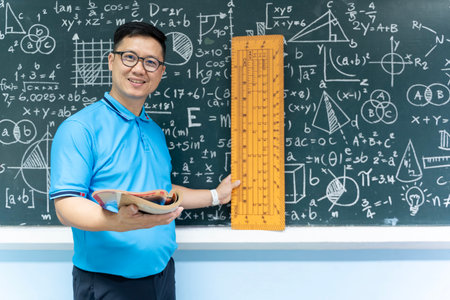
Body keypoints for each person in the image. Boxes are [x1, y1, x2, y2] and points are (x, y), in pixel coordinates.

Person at [49, 22, 240, 300]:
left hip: (162, 275)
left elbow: (162, 191)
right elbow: (66, 207)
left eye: (151, 62)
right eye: (130, 57)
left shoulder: (154, 131)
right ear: (111, 61)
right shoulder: (80, 128)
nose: (139, 69)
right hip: (109, 284)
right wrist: (119, 222)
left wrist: (215, 196)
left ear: (161, 73)